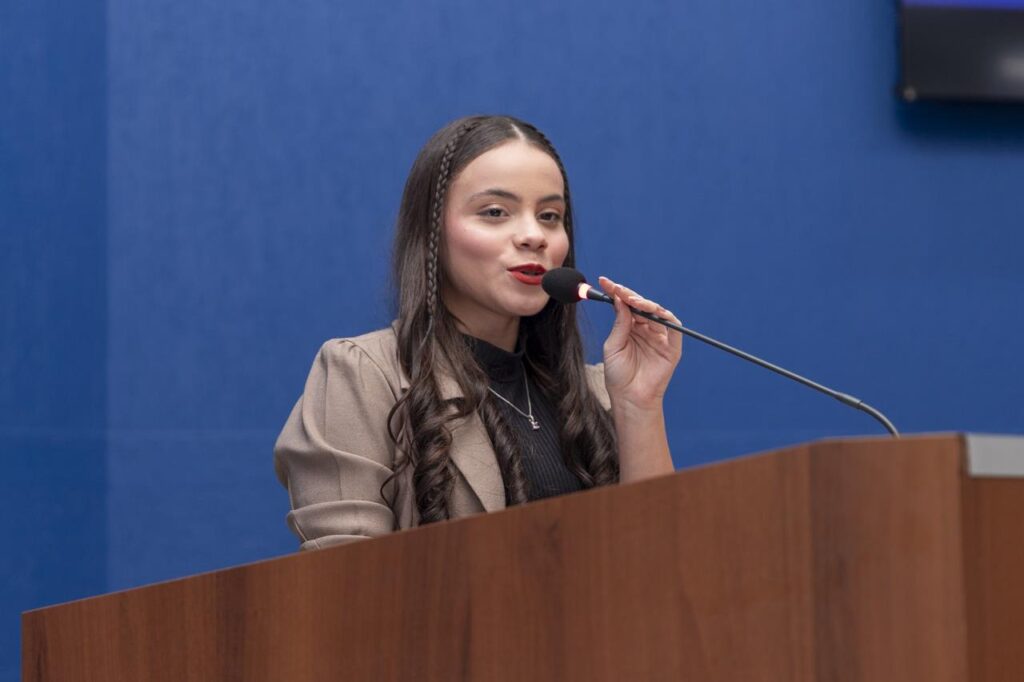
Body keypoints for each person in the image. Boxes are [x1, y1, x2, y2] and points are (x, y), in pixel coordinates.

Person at [273, 115, 682, 550]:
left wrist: (640, 406)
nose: (532, 236)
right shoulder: (362, 375)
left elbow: (660, 569)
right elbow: (344, 588)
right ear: (432, 233)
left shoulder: (598, 391)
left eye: (549, 215)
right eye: (494, 212)